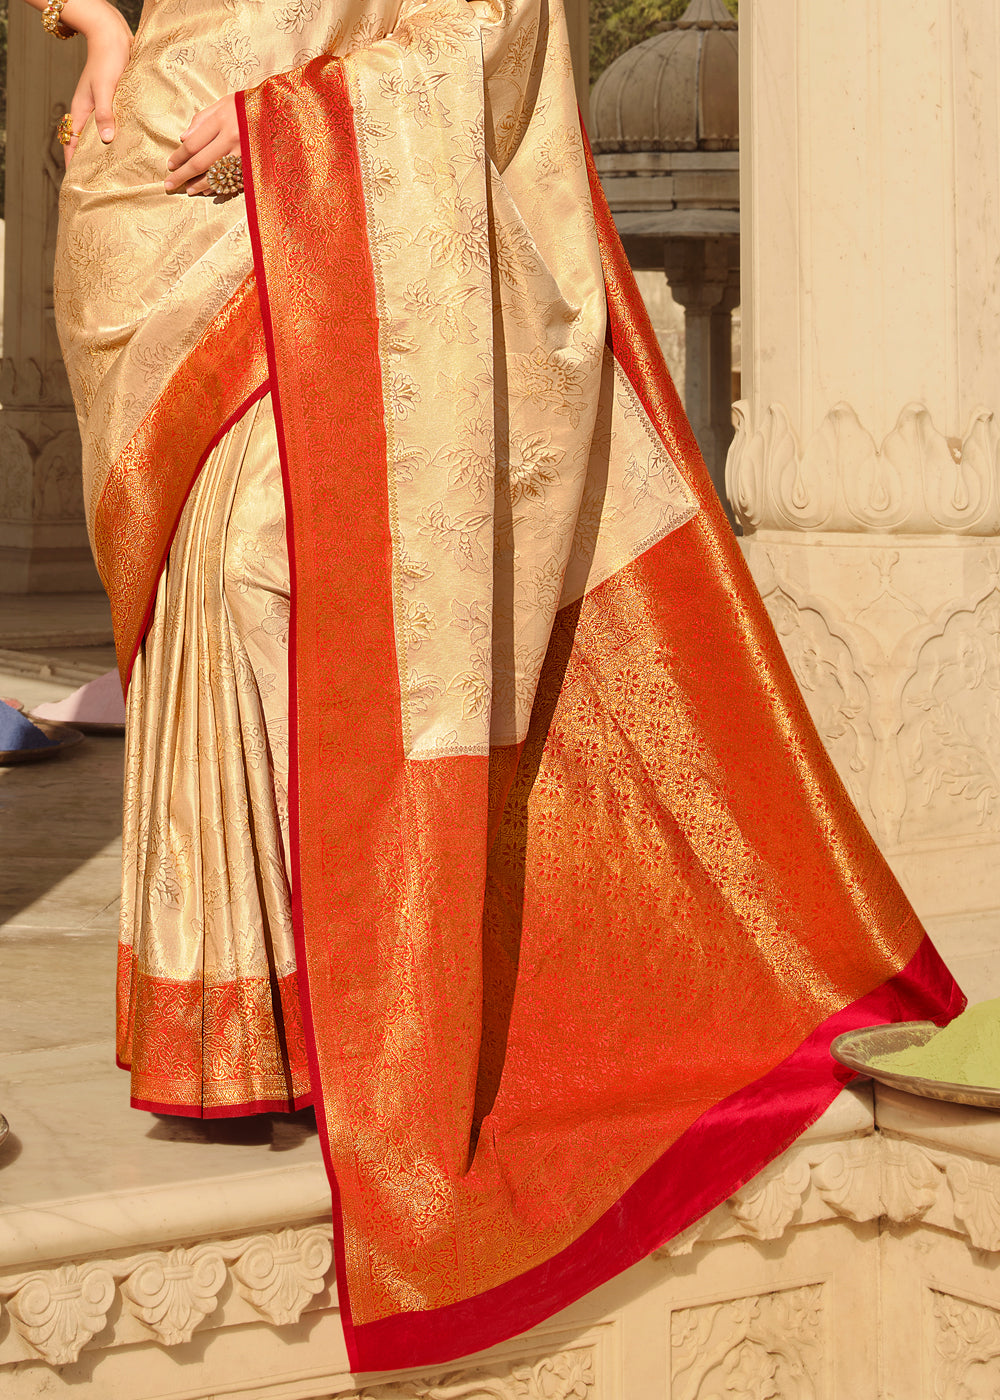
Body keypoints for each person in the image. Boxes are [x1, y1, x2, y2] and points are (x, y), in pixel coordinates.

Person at [43, 0, 963, 1373]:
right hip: (153, 213)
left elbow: (493, 31)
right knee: (207, 585)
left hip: (317, 209)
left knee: (270, 566)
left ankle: (367, 999)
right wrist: (101, 33)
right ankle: (251, 1028)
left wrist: (298, 131)